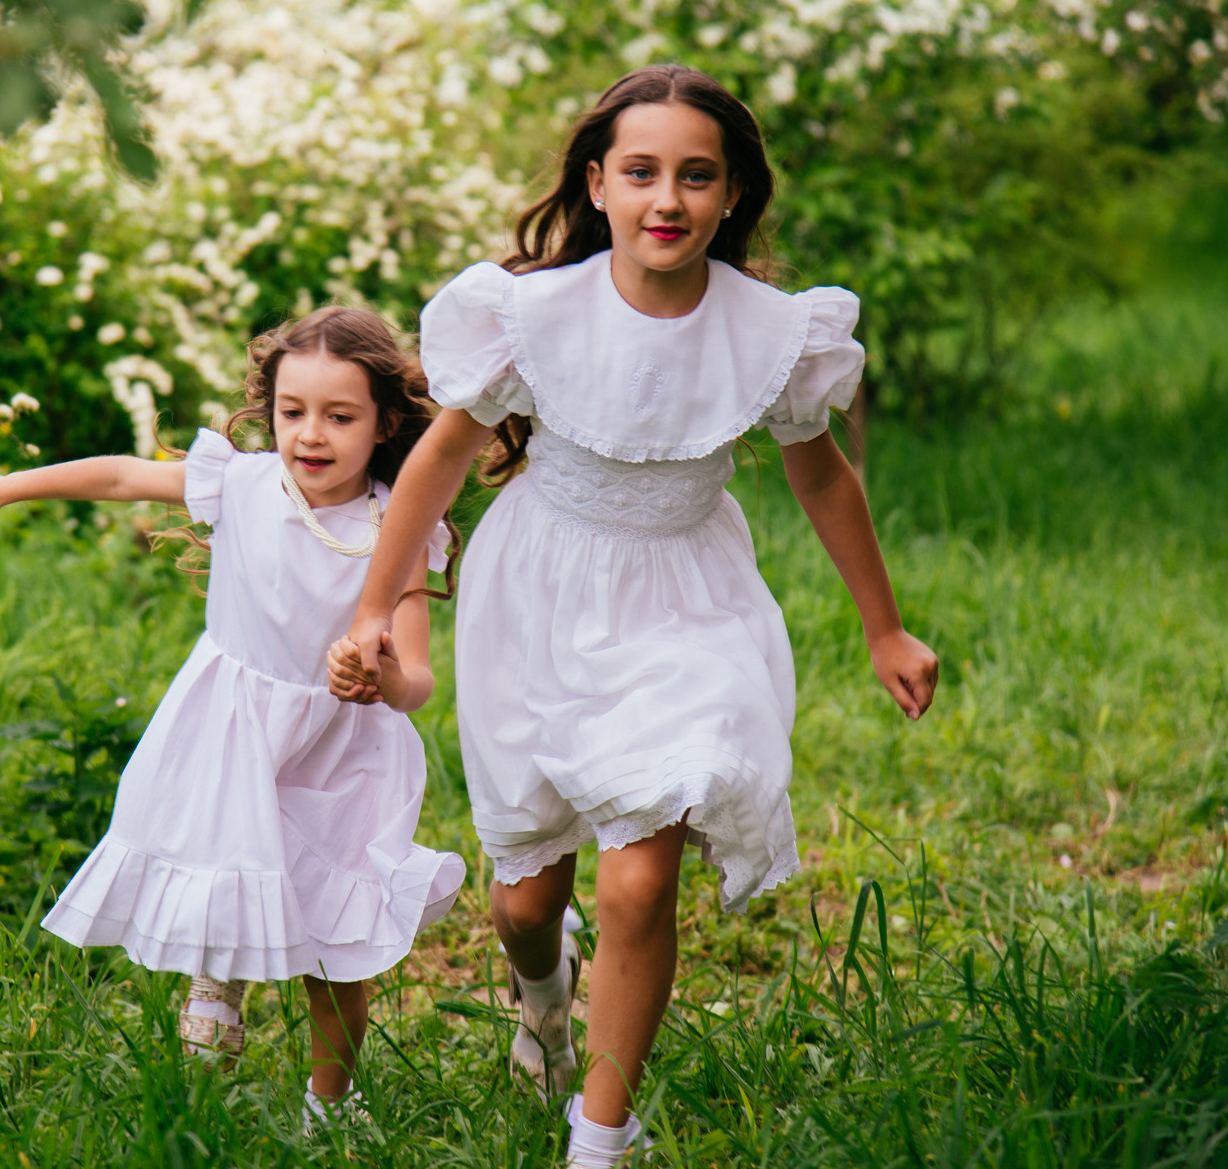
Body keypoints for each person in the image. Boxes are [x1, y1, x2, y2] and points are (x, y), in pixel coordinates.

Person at [328, 65, 939, 1166]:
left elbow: (823, 479)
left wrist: (882, 627)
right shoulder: (530, 316)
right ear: (597, 184)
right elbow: (439, 460)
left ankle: (598, 1138)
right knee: (523, 901)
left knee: (639, 871)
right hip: (538, 597)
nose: (668, 199)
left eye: (696, 176)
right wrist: (379, 601)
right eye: (642, 172)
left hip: (686, 599)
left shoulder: (772, 332)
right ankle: (542, 999)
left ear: (731, 194)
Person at [0, 307, 466, 1126]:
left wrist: (385, 678)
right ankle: (219, 973)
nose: (311, 435)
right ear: (270, 411)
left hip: (342, 753)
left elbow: (422, 677)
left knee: (338, 940)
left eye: (340, 416)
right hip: (235, 732)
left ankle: (333, 1101)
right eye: (293, 412)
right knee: (233, 861)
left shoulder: (395, 525)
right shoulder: (244, 482)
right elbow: (121, 477)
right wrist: (6, 486)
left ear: (385, 422)